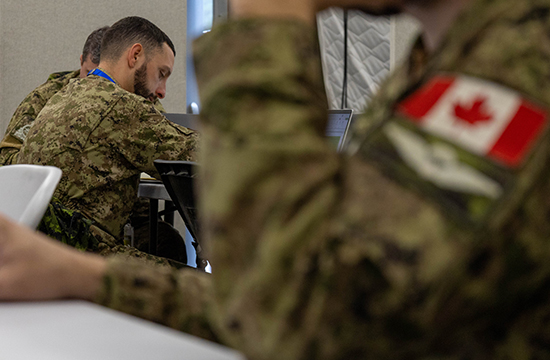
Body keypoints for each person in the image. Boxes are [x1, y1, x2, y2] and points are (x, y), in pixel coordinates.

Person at [2, 0, 550, 358]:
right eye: (163, 75)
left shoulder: (522, 63)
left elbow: (306, 309)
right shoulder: (435, 68)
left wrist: (266, 29)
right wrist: (84, 276)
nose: (163, 90)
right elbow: (280, 302)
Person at [16, 16, 197, 263]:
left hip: (37, 252)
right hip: (80, 257)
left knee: (165, 244)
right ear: (135, 56)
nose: (162, 90)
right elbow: (201, 155)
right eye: (161, 74)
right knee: (194, 285)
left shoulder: (65, 95)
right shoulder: (120, 106)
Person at [0, 26, 109, 166]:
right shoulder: (45, 97)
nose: (94, 82)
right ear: (81, 61)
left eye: (103, 76)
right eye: (89, 73)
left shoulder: (129, 99)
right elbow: (6, 160)